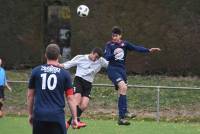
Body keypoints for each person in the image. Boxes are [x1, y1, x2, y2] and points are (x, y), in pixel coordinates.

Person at [104, 26, 161, 125]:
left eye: (116, 36)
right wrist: (114, 54)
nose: (114, 38)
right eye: (113, 36)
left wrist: (148, 50)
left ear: (120, 36)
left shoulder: (124, 44)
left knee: (123, 89)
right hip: (113, 69)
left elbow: (136, 48)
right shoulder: (109, 45)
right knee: (123, 87)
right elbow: (106, 57)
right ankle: (124, 112)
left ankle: (121, 118)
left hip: (122, 70)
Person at [27, 44, 79, 134]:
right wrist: (74, 118)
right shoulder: (65, 74)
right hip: (57, 117)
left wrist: (31, 114)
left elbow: (30, 95)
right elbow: (70, 98)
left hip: (39, 116)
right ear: (59, 56)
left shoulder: (36, 71)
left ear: (45, 55)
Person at [58, 48, 108, 128]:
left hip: (88, 84)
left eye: (98, 58)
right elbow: (69, 64)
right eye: (95, 56)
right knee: (77, 99)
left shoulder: (101, 61)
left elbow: (110, 65)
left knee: (84, 105)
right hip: (79, 81)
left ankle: (69, 122)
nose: (96, 59)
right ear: (92, 52)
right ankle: (76, 120)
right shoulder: (80, 57)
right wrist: (58, 65)